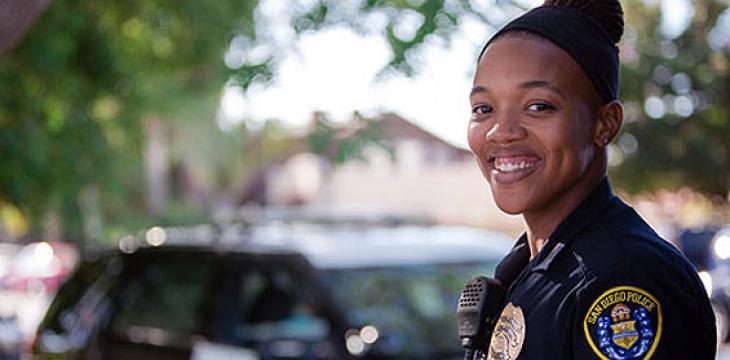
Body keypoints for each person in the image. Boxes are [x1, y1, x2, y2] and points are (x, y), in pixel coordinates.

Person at [466, 0, 717, 358]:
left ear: (605, 124)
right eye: (483, 109)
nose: (500, 132)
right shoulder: (532, 264)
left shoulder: (624, 278)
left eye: (539, 106)